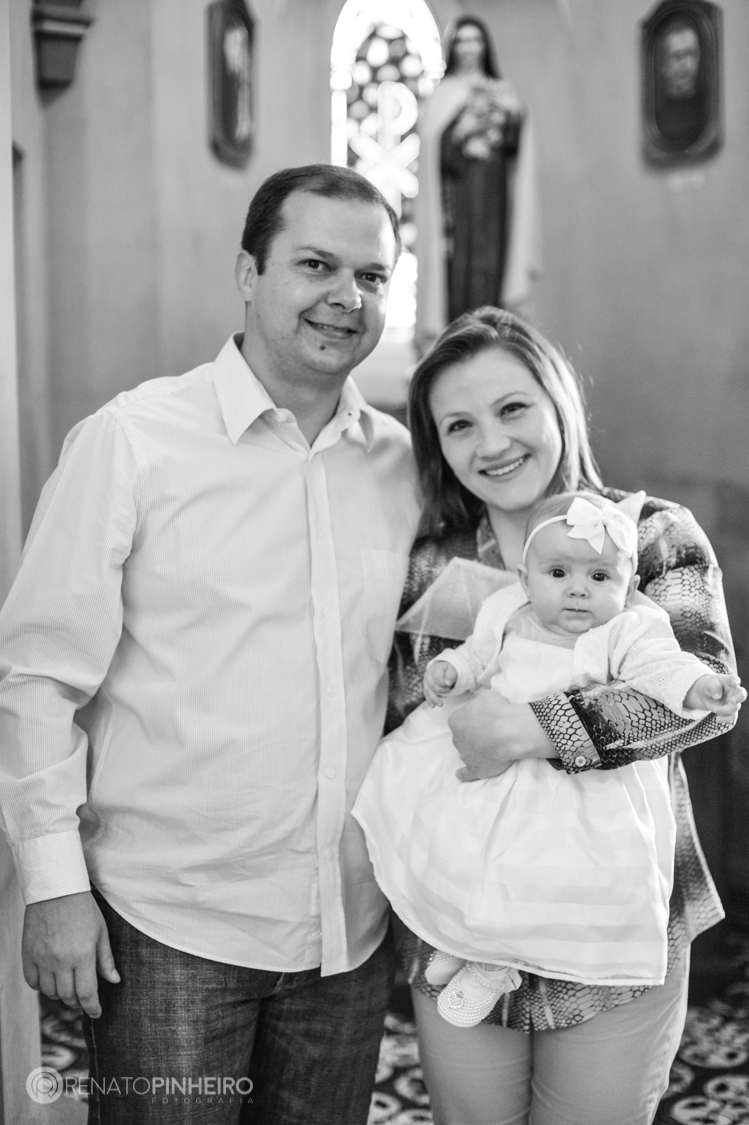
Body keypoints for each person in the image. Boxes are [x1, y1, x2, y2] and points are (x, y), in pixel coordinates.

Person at [0, 165, 421, 1124]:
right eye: (315, 264)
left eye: (371, 275)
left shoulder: (401, 466)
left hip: (346, 933)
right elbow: (36, 678)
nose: (345, 296)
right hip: (169, 928)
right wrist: (53, 887)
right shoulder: (133, 441)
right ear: (247, 272)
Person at [382, 306, 738, 1124]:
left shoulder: (651, 535)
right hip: (463, 916)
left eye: (511, 408)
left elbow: (703, 698)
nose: (491, 442)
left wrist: (530, 727)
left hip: (613, 916)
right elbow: (413, 713)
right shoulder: (437, 561)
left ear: (557, 402)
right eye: (459, 425)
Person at [354, 490, 743, 1030]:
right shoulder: (507, 610)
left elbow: (662, 668)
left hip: (573, 782)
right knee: (468, 846)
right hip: (495, 773)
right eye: (558, 573)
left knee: (535, 868)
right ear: (526, 578)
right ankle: (459, 937)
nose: (578, 588)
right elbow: (478, 653)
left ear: (629, 585)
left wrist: (699, 686)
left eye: (600, 577)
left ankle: (494, 965)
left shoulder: (626, 628)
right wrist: (453, 671)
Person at [415, 16, 540, 355]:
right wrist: (461, 130)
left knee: (494, 266)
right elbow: (436, 153)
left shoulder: (502, 91)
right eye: (462, 41)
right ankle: (458, 343)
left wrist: (509, 115)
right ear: (453, 48)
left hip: (495, 199)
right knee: (459, 270)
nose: (469, 48)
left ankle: (492, 340)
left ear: (485, 46)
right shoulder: (443, 94)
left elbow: (517, 146)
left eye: (475, 41)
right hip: (458, 203)